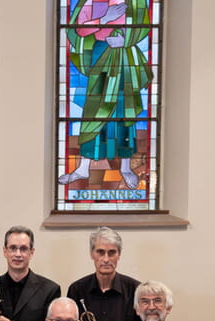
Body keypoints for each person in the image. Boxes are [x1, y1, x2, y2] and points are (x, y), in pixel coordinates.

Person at [57, 0, 153, 190]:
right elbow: (78, 31)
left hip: (124, 56)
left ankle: (126, 168)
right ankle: (83, 167)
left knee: (123, 112)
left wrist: (125, 41)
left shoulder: (135, 1)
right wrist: (103, 19)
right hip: (100, 53)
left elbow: (143, 26)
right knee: (95, 110)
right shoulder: (90, 1)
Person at [66, 227, 141, 321]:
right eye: (100, 252)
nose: (106, 259)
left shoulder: (136, 289)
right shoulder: (77, 289)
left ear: (119, 255)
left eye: (112, 253)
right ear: (92, 254)